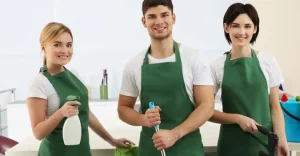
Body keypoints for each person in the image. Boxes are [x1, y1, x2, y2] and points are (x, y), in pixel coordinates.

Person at [117, 0, 215, 155]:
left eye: (164, 15)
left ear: (173, 18)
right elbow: (123, 108)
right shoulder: (134, 65)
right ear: (144, 21)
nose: (159, 22)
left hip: (188, 150)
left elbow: (207, 106)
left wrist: (174, 134)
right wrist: (143, 119)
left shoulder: (193, 58)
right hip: (150, 151)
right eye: (152, 17)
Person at [26, 22, 134, 156]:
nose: (65, 50)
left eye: (69, 45)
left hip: (81, 152)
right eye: (57, 44)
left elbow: (86, 113)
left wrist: (112, 141)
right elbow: (38, 132)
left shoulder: (74, 74)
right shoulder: (39, 83)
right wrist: (61, 113)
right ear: (43, 47)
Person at [209, 3, 289, 156]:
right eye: (236, 26)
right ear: (226, 28)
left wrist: (282, 139)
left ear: (255, 28)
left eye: (247, 26)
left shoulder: (268, 61)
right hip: (231, 144)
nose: (242, 32)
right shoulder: (216, 66)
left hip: (264, 142)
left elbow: (275, 107)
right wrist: (238, 119)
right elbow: (206, 112)